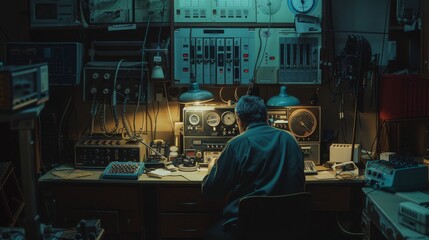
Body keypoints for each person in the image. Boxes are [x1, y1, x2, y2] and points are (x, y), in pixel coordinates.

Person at [201, 95, 305, 240]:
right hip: (287, 226)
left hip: (246, 228)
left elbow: (211, 192)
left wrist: (212, 167)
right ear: (266, 117)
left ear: (239, 120)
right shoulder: (290, 139)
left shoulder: (236, 144)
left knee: (208, 232)